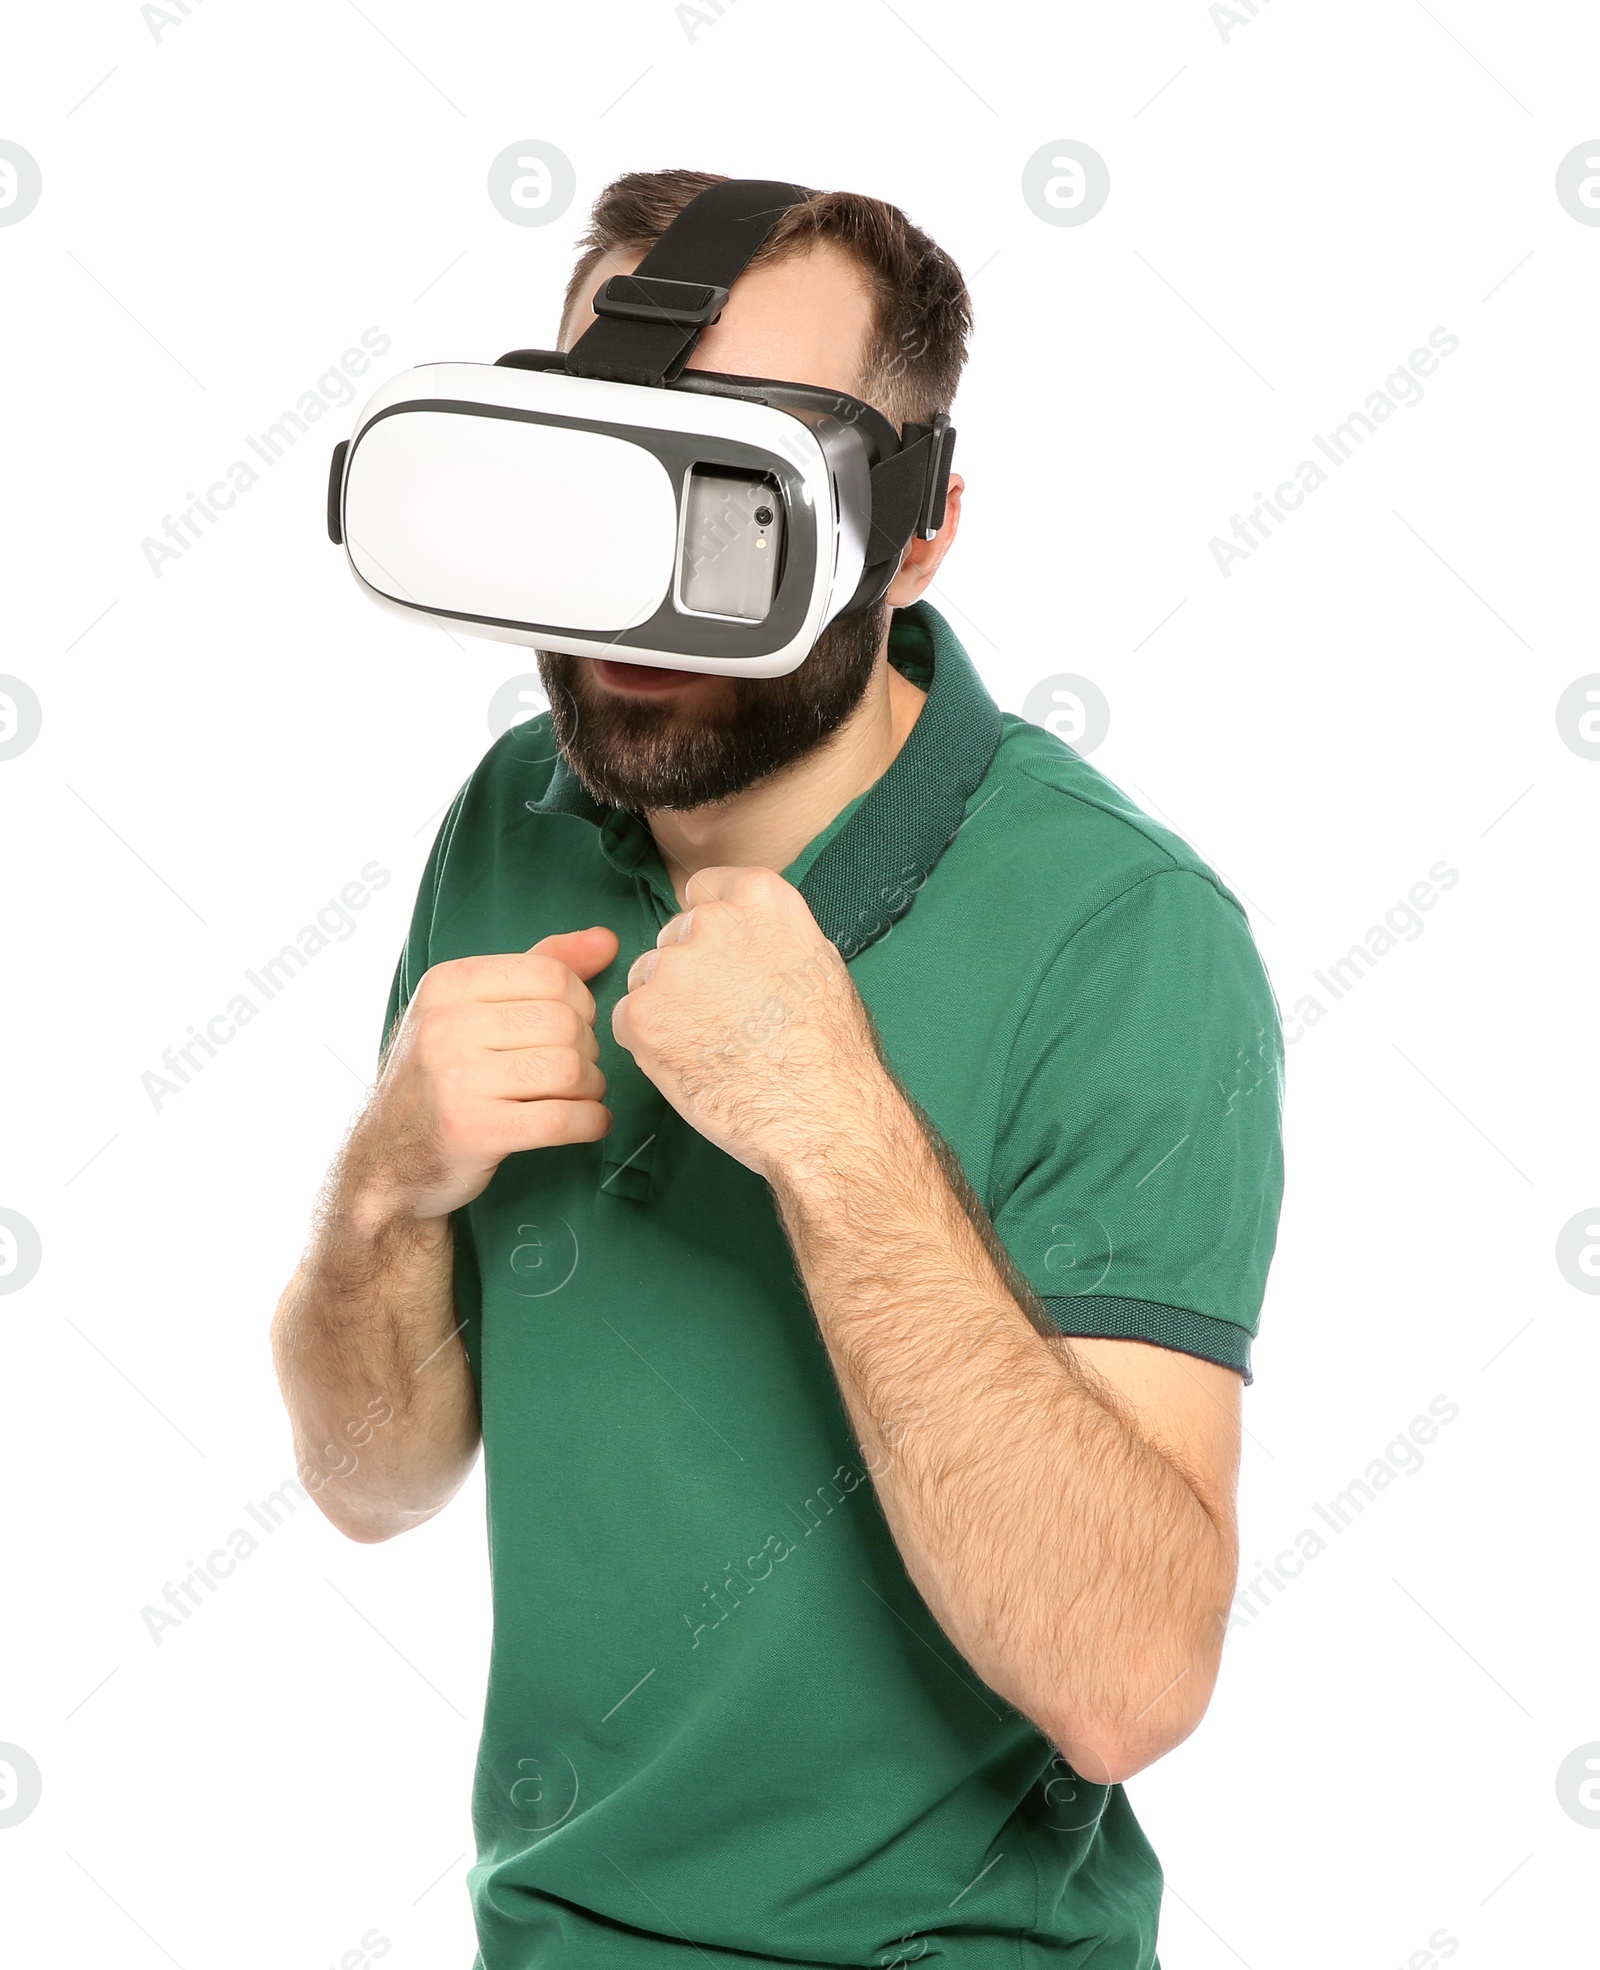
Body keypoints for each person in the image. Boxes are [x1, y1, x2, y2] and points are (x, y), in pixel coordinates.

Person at [271, 167, 1285, 1970]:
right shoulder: (516, 816)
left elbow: (1128, 1683)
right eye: (603, 480)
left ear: (914, 536)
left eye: (731, 509)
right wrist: (382, 1189)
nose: (636, 612)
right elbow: (374, 1480)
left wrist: (833, 1122)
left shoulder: (1126, 934)